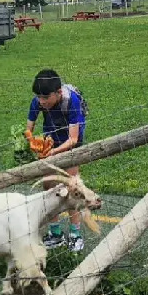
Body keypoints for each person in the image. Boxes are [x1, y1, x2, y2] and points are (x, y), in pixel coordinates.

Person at [25, 69, 87, 252]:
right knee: (49, 187)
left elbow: (73, 139)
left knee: (71, 188)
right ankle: (55, 233)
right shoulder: (38, 101)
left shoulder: (71, 102)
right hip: (50, 141)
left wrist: (53, 152)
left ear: (58, 92)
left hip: (71, 144)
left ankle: (75, 234)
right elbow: (29, 128)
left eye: (45, 98)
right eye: (39, 97)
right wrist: (32, 143)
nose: (41, 102)